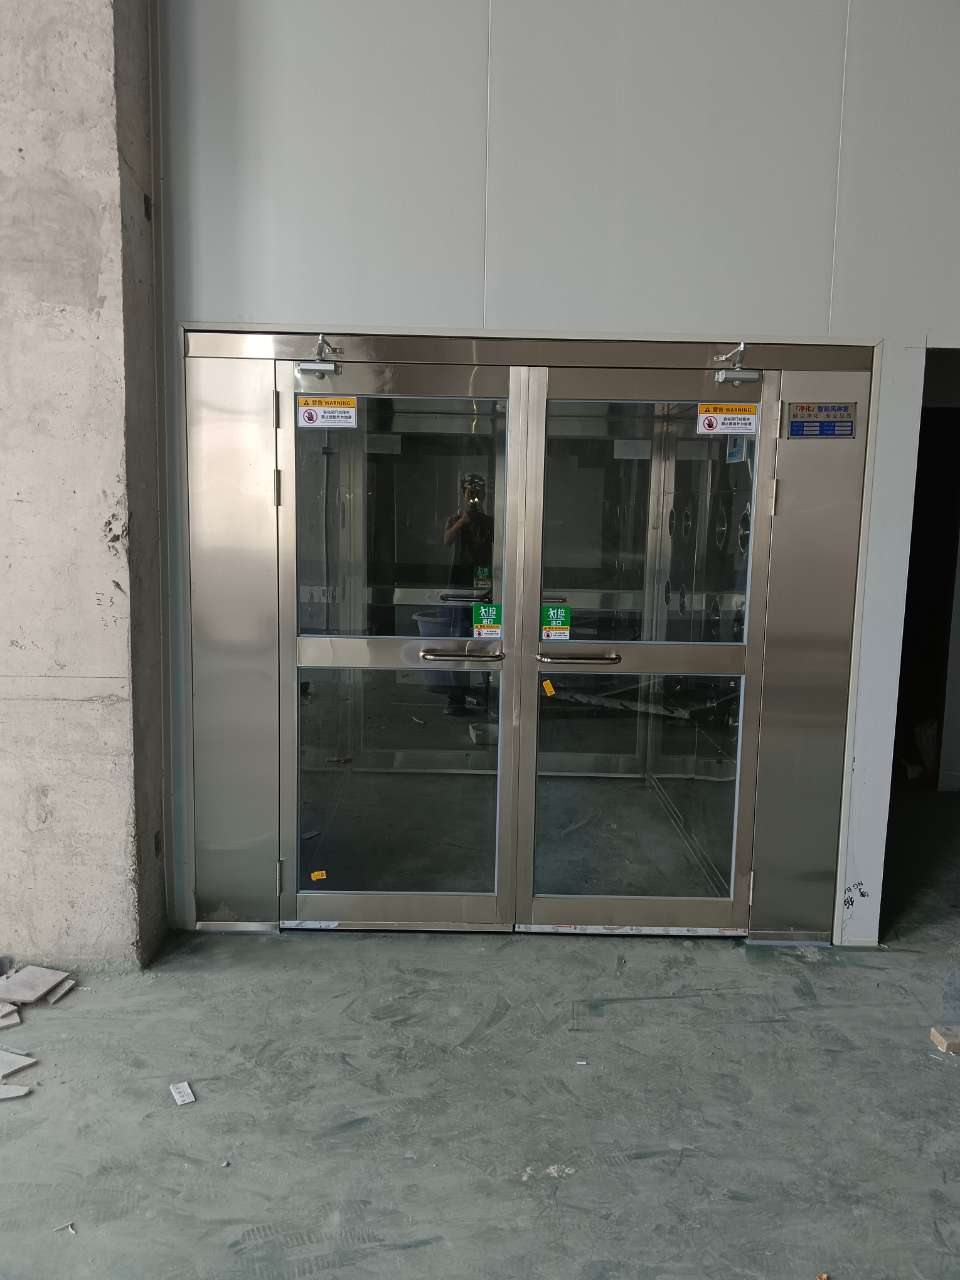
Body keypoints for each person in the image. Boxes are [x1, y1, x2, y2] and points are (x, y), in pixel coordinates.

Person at [440, 474, 494, 715]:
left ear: (484, 496)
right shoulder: (455, 518)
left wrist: (481, 522)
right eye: (469, 493)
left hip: (484, 585)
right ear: (462, 494)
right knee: (458, 639)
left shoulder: (489, 521)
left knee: (487, 638)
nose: (473, 498)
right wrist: (463, 522)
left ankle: (487, 692)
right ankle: (457, 697)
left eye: (477, 493)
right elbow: (446, 541)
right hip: (460, 586)